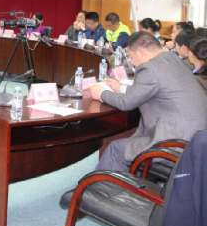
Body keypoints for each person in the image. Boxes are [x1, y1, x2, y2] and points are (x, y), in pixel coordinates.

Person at [89, 32, 207, 172]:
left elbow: (126, 103)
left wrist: (101, 93)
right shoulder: (173, 59)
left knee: (116, 149)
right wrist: (121, 88)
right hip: (197, 140)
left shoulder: (149, 68)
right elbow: (158, 89)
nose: (133, 63)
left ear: (140, 52)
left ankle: (101, 185)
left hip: (175, 144)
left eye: (132, 57)